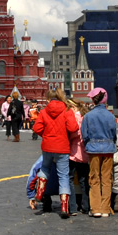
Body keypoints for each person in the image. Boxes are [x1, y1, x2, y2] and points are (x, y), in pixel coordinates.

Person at [31, 88, 80, 218]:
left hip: (47, 146)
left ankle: (40, 193)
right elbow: (73, 127)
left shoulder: (44, 111)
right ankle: (64, 207)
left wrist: (46, 135)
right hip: (62, 147)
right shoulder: (67, 110)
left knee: (45, 168)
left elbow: (36, 128)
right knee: (63, 176)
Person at [81, 87, 117, 218]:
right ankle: (105, 208)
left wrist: (89, 145)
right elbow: (114, 134)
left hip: (93, 149)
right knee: (107, 179)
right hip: (108, 149)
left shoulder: (88, 116)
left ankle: (95, 208)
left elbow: (84, 135)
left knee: (94, 178)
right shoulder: (110, 116)